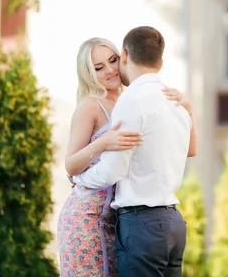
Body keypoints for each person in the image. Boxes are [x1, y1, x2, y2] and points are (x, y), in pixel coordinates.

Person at [56, 36, 196, 277]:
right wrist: (102, 143)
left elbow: (190, 150)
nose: (110, 70)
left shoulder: (138, 99)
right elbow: (71, 165)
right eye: (99, 68)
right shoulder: (91, 105)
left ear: (124, 58)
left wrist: (188, 112)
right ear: (89, 74)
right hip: (87, 216)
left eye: (113, 60)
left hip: (123, 218)